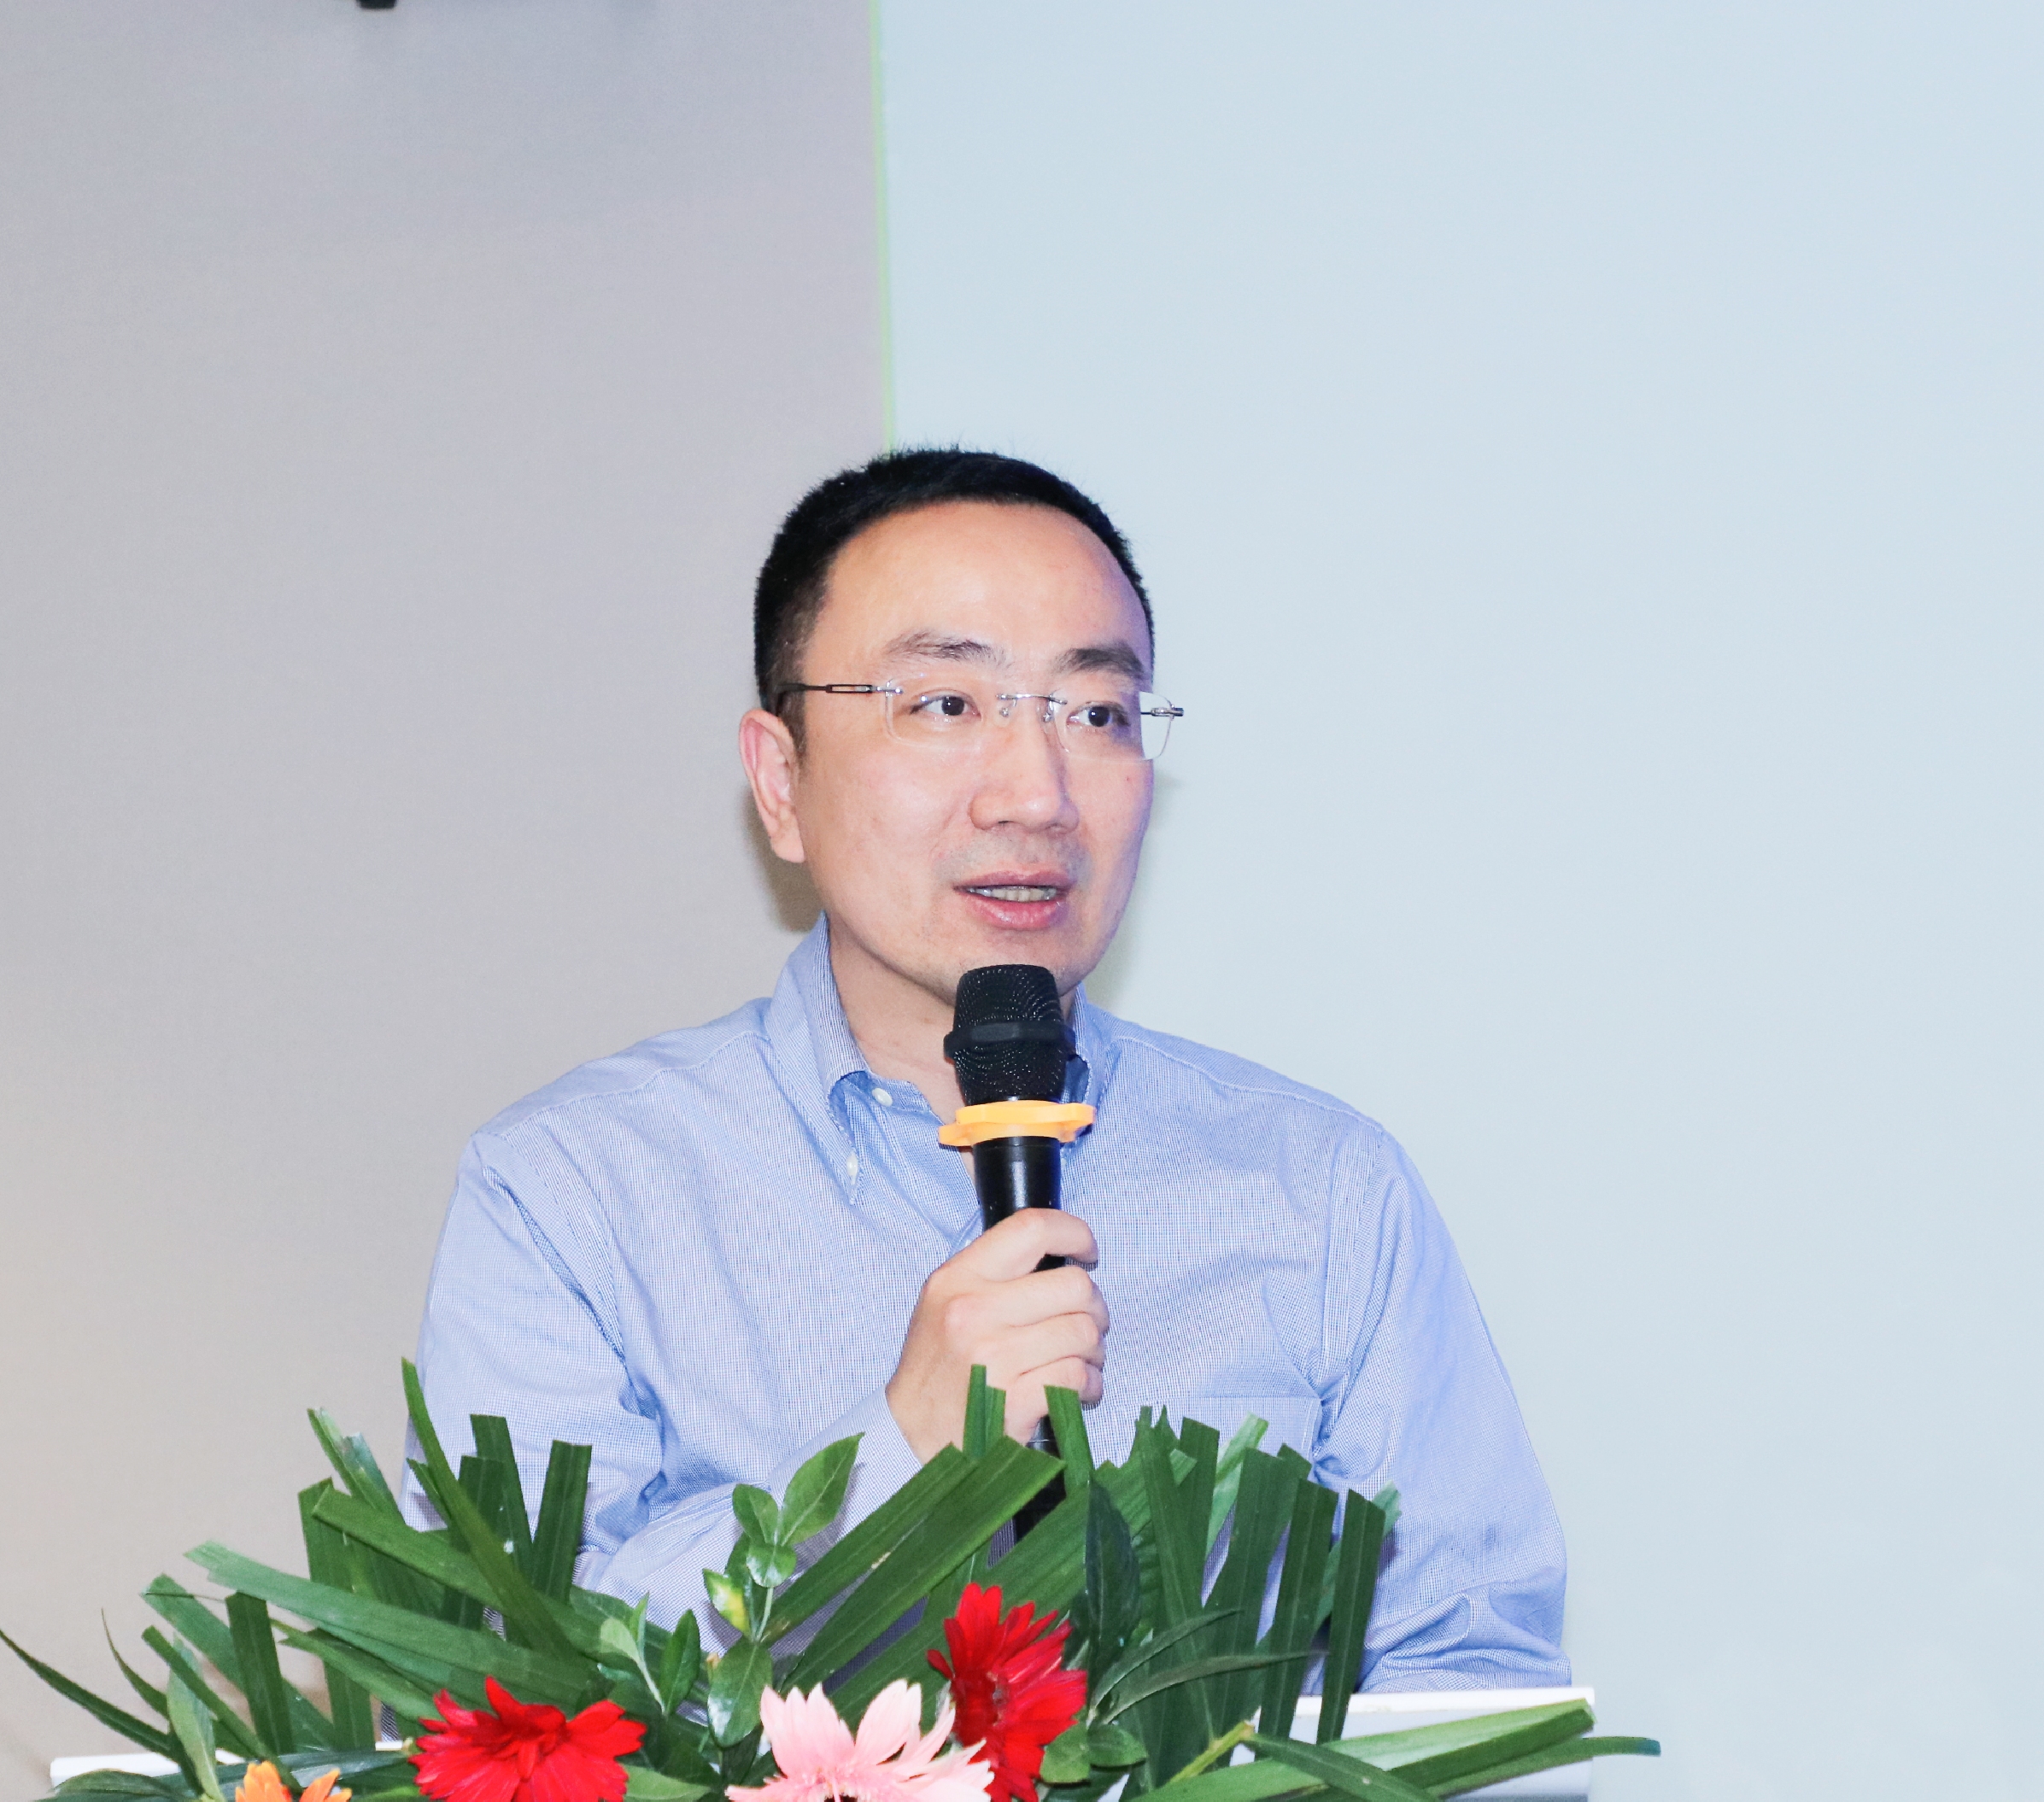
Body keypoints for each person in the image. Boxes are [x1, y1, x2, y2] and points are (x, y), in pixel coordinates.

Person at [408, 448, 1567, 1689]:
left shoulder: (1320, 1187)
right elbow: (512, 1686)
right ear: (781, 781)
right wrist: (896, 1459)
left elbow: (1472, 1674)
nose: (1036, 794)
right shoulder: (573, 1189)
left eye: (1096, 713)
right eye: (947, 706)